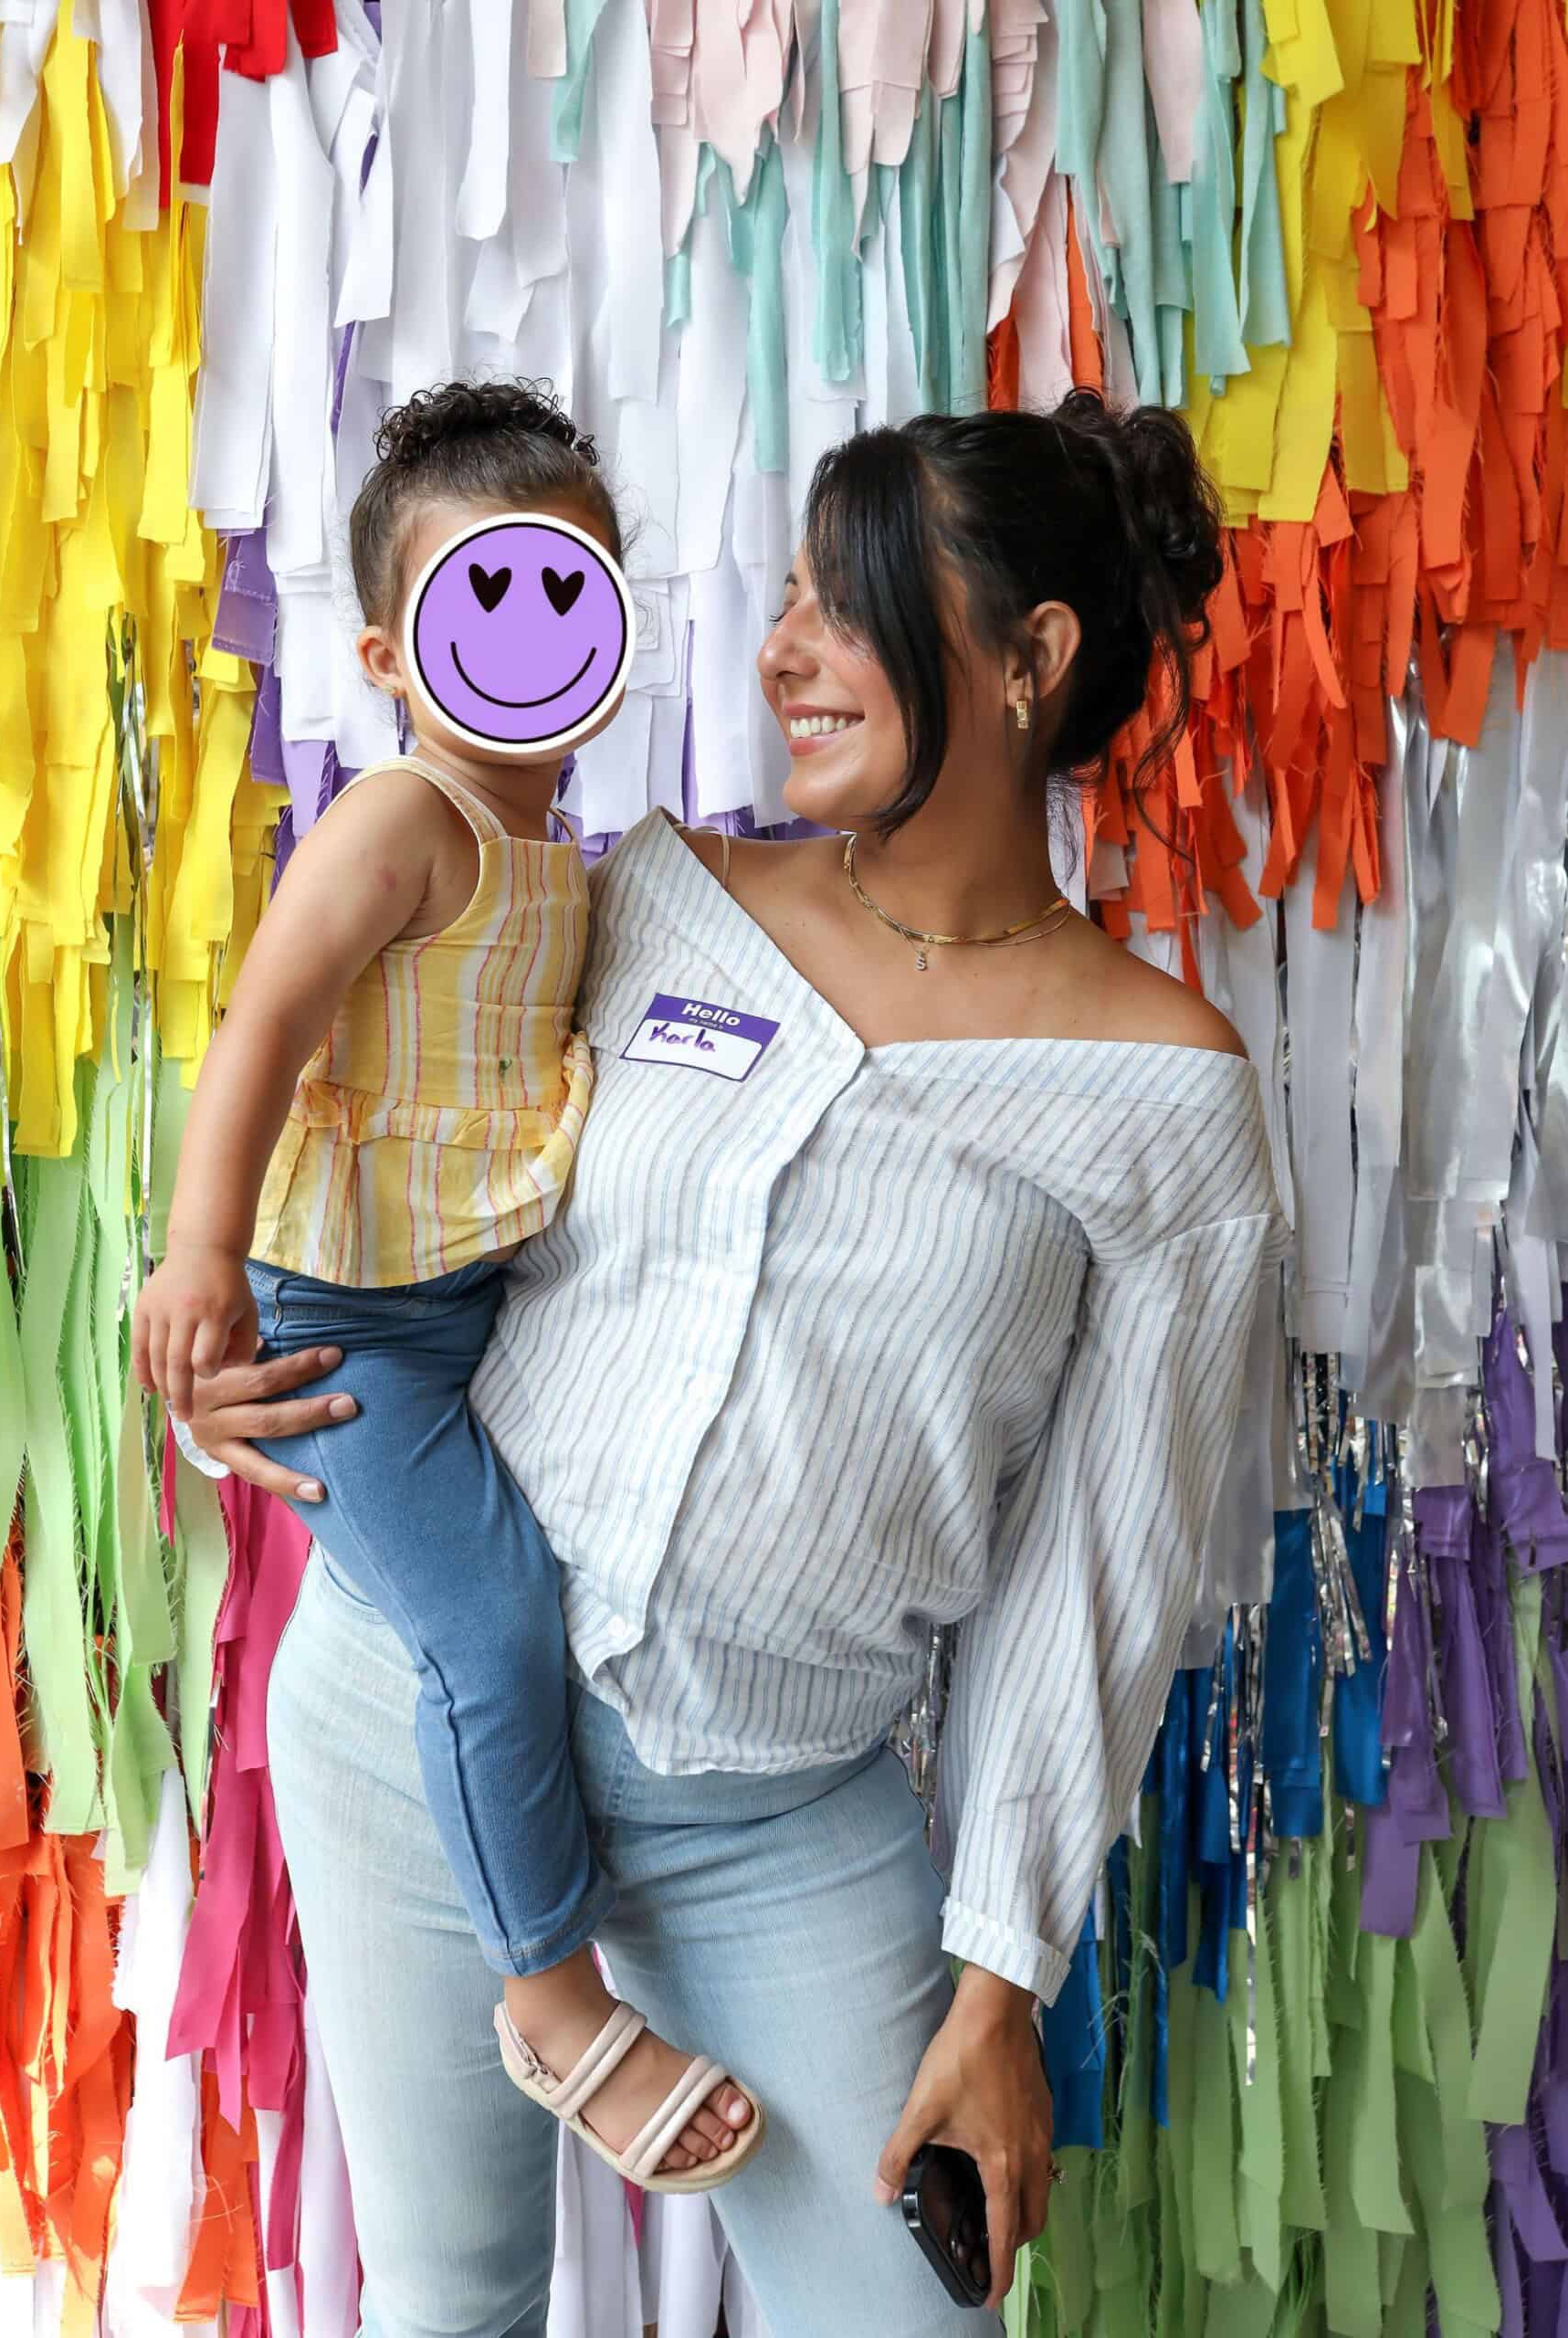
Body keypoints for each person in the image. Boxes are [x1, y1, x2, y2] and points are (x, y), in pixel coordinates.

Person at [178, 389, 1289, 2336]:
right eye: (782, 598)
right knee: (448, 2298)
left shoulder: (1167, 1100)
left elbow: (1095, 1578)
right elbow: (378, 1094)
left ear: (1029, 658)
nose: (782, 651)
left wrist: (1001, 1982)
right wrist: (227, 1333)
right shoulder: (655, 892)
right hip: (409, 1720)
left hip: (779, 1811)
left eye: (846, 603)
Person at [136, 379, 763, 2193]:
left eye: (572, 593)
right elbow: (265, 1022)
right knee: (491, 1625)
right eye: (491, 600)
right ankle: (551, 1995)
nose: (535, 632)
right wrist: (199, 1254)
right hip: (351, 1323)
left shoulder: (557, 851)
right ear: (388, 657)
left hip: (472, 1300)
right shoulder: (401, 822)